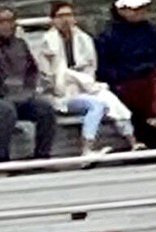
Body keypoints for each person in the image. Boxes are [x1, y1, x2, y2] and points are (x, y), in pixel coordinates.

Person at [37, 1, 138, 154]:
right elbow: (46, 75)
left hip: (85, 86)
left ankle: (133, 141)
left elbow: (91, 68)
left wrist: (80, 79)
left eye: (69, 15)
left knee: (110, 98)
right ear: (53, 20)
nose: (65, 20)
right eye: (60, 16)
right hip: (61, 94)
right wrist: (71, 77)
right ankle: (87, 148)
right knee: (95, 104)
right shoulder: (45, 43)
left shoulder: (84, 39)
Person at [96, 0, 156, 148]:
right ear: (121, 11)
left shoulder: (155, 33)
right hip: (126, 83)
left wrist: (153, 68)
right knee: (153, 85)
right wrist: (133, 72)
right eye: (135, 9)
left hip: (154, 80)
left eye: (142, 8)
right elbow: (104, 69)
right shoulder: (108, 37)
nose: (140, 12)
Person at [0, 6, 56, 162]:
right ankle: (3, 160)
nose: (6, 25)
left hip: (21, 96)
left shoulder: (20, 44)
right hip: (3, 98)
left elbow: (32, 71)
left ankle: (42, 157)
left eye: (9, 21)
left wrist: (29, 90)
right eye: (1, 21)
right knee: (6, 111)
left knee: (45, 109)